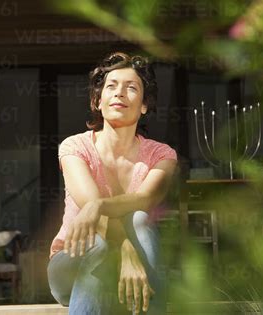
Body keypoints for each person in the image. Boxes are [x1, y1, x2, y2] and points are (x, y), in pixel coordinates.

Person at [47, 52, 177, 314]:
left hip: (136, 272)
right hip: (71, 263)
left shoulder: (162, 155)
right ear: (97, 100)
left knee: (139, 218)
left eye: (131, 88)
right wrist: (127, 251)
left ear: (144, 105)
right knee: (99, 244)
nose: (119, 93)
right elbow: (91, 207)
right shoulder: (75, 147)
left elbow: (146, 199)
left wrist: (99, 206)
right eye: (111, 86)